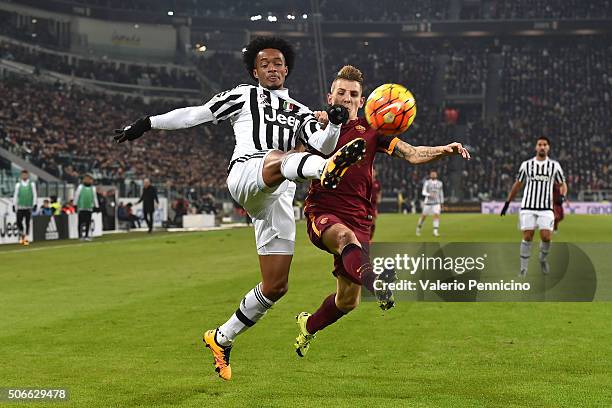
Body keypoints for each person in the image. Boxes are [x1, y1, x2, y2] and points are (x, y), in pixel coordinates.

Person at [113, 36, 364, 381]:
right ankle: (325, 171)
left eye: (278, 63)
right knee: (282, 157)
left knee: (275, 285)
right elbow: (195, 115)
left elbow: (323, 143)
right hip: (248, 172)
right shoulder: (242, 96)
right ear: (255, 71)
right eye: (265, 64)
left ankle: (221, 337)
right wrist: (148, 122)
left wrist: (334, 122)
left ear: (286, 68)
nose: (272, 68)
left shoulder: (302, 111)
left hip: (278, 196)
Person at [294, 65, 471, 357]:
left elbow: (412, 153)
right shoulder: (315, 127)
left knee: (347, 301)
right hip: (323, 210)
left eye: (353, 94)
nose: (347, 98)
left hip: (358, 215)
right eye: (341, 92)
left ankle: (308, 325)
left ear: (362, 101)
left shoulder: (372, 131)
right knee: (344, 238)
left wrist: (445, 149)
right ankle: (378, 282)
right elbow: (293, 158)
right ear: (330, 97)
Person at [501, 137, 567, 277]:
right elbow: (517, 184)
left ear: (548, 148)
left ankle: (542, 259)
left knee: (546, 237)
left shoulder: (554, 166)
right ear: (536, 147)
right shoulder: (526, 165)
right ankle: (523, 269)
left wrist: (563, 196)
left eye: (545, 145)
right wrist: (507, 202)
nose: (542, 147)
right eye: (540, 144)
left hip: (546, 208)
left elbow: (562, 184)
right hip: (528, 207)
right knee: (527, 236)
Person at [416, 170, 444, 237]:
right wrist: (429, 194)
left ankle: (435, 231)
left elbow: (441, 193)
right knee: (423, 216)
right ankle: (418, 228)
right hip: (428, 203)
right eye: (432, 174)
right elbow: (423, 192)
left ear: (436, 175)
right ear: (430, 175)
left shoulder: (440, 183)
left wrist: (442, 202)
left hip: (436, 202)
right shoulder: (427, 182)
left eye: (434, 174)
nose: (433, 175)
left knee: (436, 215)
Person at [12, 170, 37, 246]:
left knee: (27, 222)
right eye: (23, 175)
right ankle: (22, 234)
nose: (24, 176)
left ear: (27, 175)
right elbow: (16, 195)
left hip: (28, 206)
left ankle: (25, 239)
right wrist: (14, 204)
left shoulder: (32, 184)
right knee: (19, 221)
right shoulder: (18, 185)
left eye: (25, 175)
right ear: (21, 176)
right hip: (20, 206)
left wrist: (35, 204)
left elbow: (34, 194)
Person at [74, 174, 99, 241]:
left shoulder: (93, 188)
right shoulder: (80, 187)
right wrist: (75, 205)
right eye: (87, 179)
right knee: (80, 222)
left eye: (90, 179)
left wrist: (96, 206)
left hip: (89, 207)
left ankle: (87, 235)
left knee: (88, 222)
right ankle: (80, 236)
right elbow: (76, 196)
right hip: (81, 207)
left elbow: (94, 197)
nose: (89, 180)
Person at [370, 167, 382, 240]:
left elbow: (379, 191)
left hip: (373, 205)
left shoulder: (377, 183)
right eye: (372, 171)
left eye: (374, 172)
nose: (373, 173)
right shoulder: (367, 181)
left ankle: (370, 238)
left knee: (373, 223)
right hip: (366, 204)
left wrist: (379, 198)